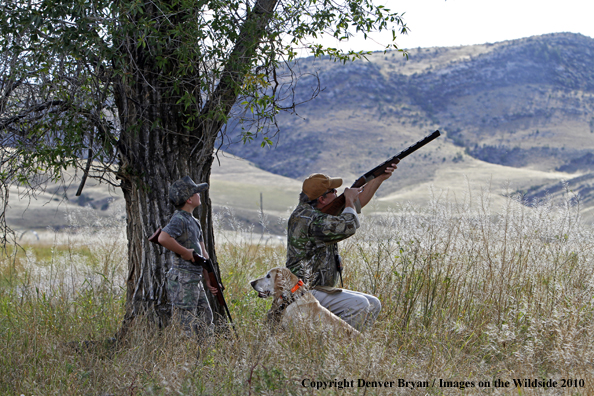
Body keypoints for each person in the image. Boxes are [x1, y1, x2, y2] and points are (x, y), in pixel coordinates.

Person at [286, 162, 398, 331]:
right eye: (333, 191)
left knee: (373, 304)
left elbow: (357, 203)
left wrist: (379, 178)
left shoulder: (317, 211)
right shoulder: (308, 219)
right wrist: (349, 200)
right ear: (322, 199)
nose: (338, 193)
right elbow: (348, 225)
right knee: (359, 304)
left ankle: (356, 345)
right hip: (304, 291)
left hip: (320, 289)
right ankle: (342, 343)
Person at [158, 176, 219, 337]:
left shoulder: (195, 222)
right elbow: (163, 238)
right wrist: (185, 252)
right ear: (189, 199)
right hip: (183, 279)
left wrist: (208, 278)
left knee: (206, 319)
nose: (200, 195)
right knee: (185, 325)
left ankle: (205, 357)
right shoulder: (179, 219)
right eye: (196, 193)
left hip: (195, 279)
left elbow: (203, 253)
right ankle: (183, 358)